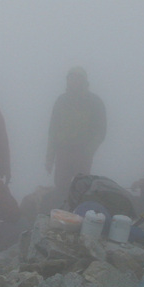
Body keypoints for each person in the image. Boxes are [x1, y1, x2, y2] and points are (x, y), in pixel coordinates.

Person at [45, 66, 107, 199]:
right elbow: (53, 131)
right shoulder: (61, 101)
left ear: (84, 81)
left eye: (78, 79)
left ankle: (77, 216)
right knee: (61, 188)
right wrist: (49, 158)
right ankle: (62, 216)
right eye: (71, 79)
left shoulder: (94, 102)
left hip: (82, 154)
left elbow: (101, 131)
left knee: (82, 190)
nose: (74, 82)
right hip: (63, 152)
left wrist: (88, 152)